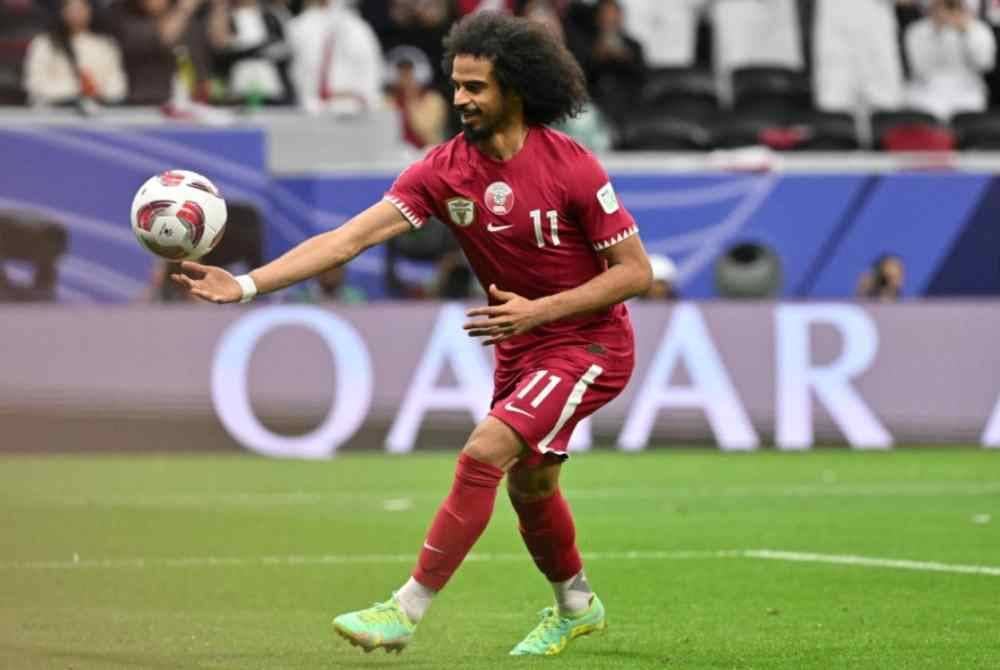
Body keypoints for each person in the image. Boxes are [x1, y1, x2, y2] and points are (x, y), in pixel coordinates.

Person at [171, 11, 652, 658]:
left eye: (475, 87)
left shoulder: (573, 167)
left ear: (514, 88)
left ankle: (404, 609)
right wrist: (247, 285)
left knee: (485, 451)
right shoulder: (443, 171)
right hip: (519, 347)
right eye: (456, 85)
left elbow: (635, 273)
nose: (459, 99)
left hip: (590, 343)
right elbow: (349, 239)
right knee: (530, 484)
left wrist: (539, 311)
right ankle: (576, 605)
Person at [22, 0, 128, 106]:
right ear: (62, 12)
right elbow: (34, 84)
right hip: (55, 111)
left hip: (101, 110)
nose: (76, 13)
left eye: (81, 9)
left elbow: (117, 84)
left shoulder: (106, 44)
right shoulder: (44, 44)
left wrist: (97, 92)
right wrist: (77, 91)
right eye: (71, 8)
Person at [905, 0, 996, 120]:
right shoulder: (916, 30)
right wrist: (937, 32)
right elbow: (918, 67)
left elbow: (985, 64)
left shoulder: (979, 29)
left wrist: (964, 33)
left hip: (967, 90)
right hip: (927, 90)